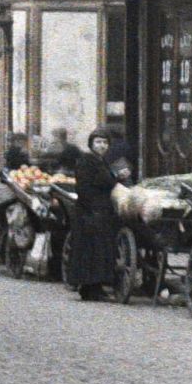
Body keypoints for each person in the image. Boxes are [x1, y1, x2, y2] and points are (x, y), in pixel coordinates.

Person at [63, 129, 123, 302]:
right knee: (94, 250)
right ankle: (92, 288)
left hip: (96, 210)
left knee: (93, 251)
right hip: (91, 211)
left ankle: (91, 288)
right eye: (98, 142)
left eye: (105, 143)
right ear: (91, 144)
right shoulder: (87, 161)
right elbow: (100, 182)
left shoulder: (100, 161)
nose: (102, 146)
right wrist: (115, 176)